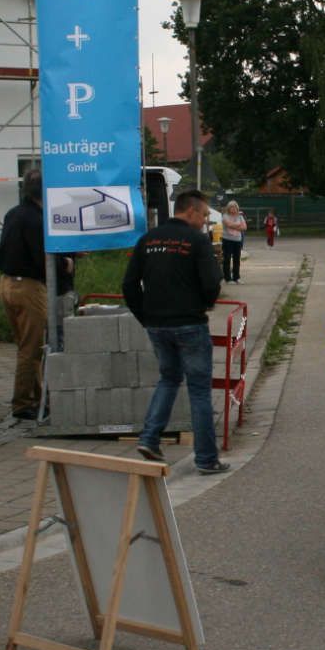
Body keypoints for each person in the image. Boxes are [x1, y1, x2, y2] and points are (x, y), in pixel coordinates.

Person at [123, 188, 229, 476]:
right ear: (191, 211)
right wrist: (204, 305)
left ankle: (149, 438)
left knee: (169, 379)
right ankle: (207, 459)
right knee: (198, 390)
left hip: (157, 325)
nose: (206, 220)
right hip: (189, 323)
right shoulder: (197, 240)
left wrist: (145, 317)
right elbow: (211, 282)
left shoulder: (147, 240)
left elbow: (129, 285)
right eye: (205, 214)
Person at [0, 170, 73, 421]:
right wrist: (65, 265)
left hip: (7, 283)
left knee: (24, 345)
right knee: (33, 348)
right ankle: (23, 403)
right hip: (29, 287)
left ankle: (38, 397)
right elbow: (43, 259)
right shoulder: (37, 220)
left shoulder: (14, 214)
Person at [220, 200, 248, 282]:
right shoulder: (225, 216)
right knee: (227, 258)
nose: (233, 208)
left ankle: (236, 277)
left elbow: (245, 227)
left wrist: (233, 226)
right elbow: (228, 224)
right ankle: (227, 278)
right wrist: (238, 225)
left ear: (237, 208)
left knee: (236, 259)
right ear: (228, 208)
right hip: (227, 239)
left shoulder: (240, 217)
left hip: (237, 240)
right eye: (231, 207)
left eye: (235, 207)